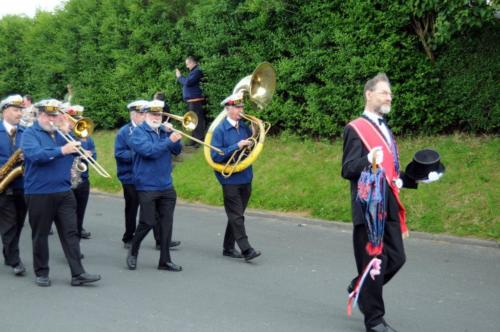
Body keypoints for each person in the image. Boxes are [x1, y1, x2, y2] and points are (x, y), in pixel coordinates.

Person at [341, 73, 420, 332]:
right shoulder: (356, 129)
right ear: (369, 94)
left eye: (390, 93)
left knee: (396, 258)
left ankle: (360, 285)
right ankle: (374, 320)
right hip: (368, 209)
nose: (389, 97)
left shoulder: (385, 129)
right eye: (384, 92)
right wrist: (367, 160)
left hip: (389, 205)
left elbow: (390, 173)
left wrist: (412, 178)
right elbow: (348, 168)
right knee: (373, 263)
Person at [21, 99, 100, 287]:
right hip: (39, 192)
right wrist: (62, 150)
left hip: (64, 191)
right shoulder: (30, 134)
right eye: (48, 115)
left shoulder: (62, 133)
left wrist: (79, 144)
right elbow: (35, 155)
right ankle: (41, 272)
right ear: (40, 115)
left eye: (55, 116)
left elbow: (83, 151)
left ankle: (78, 273)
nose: (52, 119)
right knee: (40, 234)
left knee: (70, 233)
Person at [115, 100, 181, 250]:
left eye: (158, 114)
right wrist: (137, 154)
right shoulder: (126, 131)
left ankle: (160, 240)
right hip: (130, 176)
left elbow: (174, 150)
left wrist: (171, 137)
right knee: (132, 208)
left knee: (156, 212)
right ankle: (129, 237)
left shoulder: (160, 129)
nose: (141, 116)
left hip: (154, 178)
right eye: (139, 113)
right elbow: (119, 154)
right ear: (134, 114)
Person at [210, 91, 261, 262]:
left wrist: (256, 135)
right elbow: (215, 156)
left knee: (236, 214)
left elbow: (251, 150)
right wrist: (236, 146)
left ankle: (228, 248)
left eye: (242, 106)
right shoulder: (219, 131)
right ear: (228, 109)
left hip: (245, 176)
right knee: (237, 215)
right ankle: (247, 250)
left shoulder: (245, 127)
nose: (241, 109)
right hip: (229, 178)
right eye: (238, 107)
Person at [0, 95, 27, 276]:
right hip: (3, 185)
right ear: (4, 111)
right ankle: (15, 260)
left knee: (18, 223)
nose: (19, 114)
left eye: (20, 110)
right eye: (15, 110)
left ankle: (9, 252)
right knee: (9, 224)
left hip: (22, 184)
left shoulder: (26, 132)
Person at [65, 105, 93, 240]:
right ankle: (70, 237)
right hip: (67, 180)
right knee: (68, 212)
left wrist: (89, 155)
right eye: (74, 119)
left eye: (79, 119)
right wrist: (76, 152)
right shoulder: (63, 136)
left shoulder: (86, 137)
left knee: (80, 210)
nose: (77, 122)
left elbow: (94, 156)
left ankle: (78, 229)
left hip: (83, 179)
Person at [175, 56, 206, 147]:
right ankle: (194, 139)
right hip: (191, 101)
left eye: (187, 64)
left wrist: (180, 77)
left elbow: (188, 82)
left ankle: (200, 140)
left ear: (192, 63)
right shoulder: (193, 72)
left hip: (196, 100)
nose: (187, 66)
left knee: (198, 120)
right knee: (192, 121)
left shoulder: (197, 71)